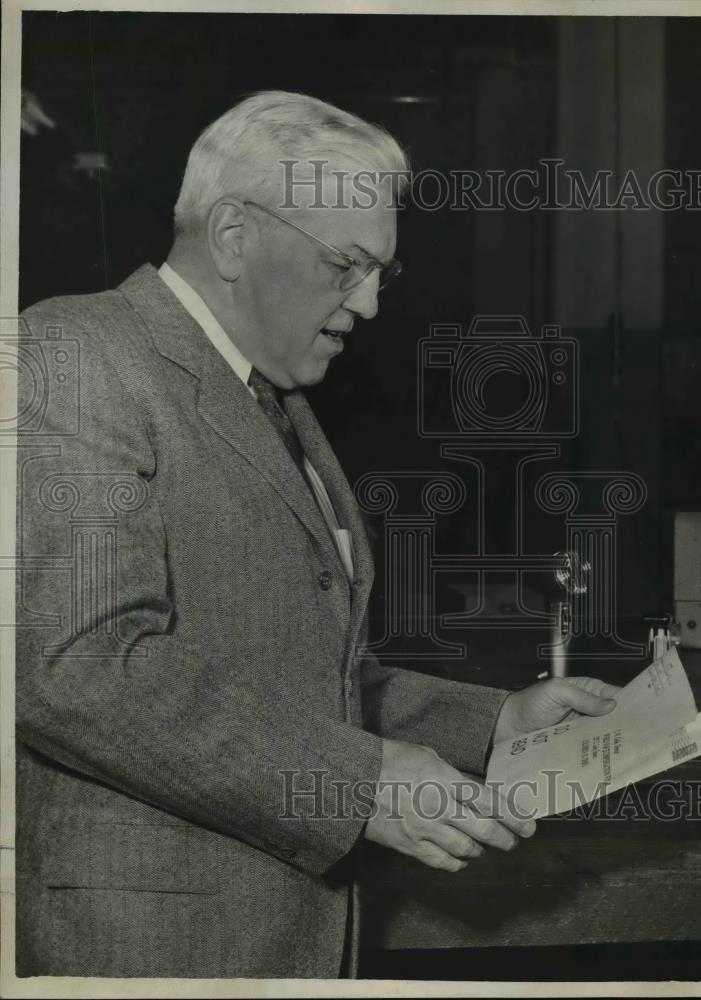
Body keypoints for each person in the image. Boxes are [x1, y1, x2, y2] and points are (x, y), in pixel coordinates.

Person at [15, 90, 618, 979]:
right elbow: (81, 667)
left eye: (382, 273)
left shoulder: (275, 401)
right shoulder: (74, 355)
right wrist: (357, 783)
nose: (369, 303)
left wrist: (493, 722)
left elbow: (300, 671)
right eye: (345, 264)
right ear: (232, 236)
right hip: (145, 949)